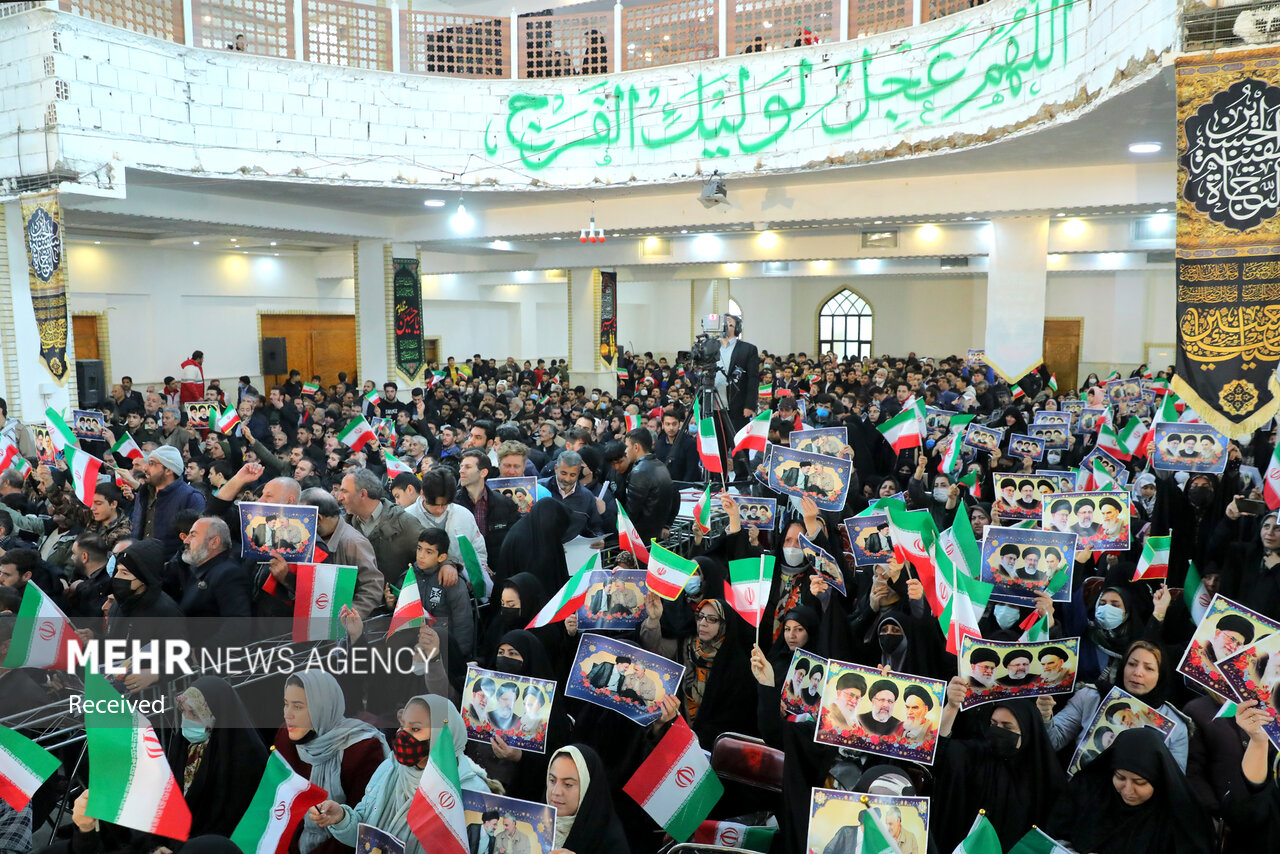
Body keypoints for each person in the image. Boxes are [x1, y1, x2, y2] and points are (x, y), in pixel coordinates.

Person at [307, 695, 492, 854]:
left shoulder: (469, 791)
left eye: (416, 729)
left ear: (444, 734)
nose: (403, 734)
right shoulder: (390, 767)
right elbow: (364, 834)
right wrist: (341, 818)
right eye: (403, 725)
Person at [1044, 728, 1213, 854]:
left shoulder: (1179, 816)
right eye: (1120, 777)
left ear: (1158, 779)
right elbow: (1053, 837)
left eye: (1140, 782)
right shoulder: (1088, 790)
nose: (1127, 790)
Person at [275, 670, 389, 854]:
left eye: (298, 707)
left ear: (322, 708)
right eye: (286, 704)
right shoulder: (286, 738)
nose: (288, 714)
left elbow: (363, 824)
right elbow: (280, 806)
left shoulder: (361, 749)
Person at [1038, 640, 1190, 771]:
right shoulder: (1090, 697)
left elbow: (1173, 780)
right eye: (1132, 664)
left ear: (1161, 675)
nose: (1137, 673)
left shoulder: (1174, 725)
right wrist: (1045, 717)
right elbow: (1054, 741)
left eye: (1149, 668)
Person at [546, 745, 630, 854]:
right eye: (552, 780)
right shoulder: (530, 822)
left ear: (588, 789)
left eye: (568, 784)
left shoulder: (610, 841)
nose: (556, 792)